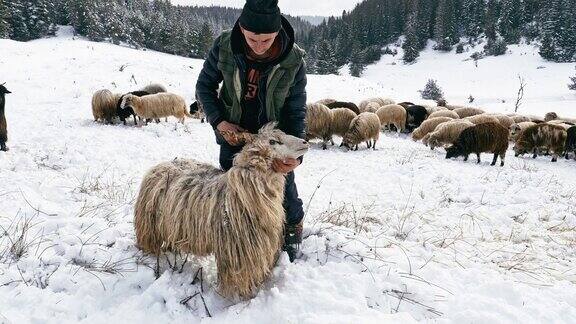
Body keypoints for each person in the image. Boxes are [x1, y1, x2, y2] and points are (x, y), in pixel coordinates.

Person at [195, 0, 307, 261]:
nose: (258, 47)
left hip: (272, 143)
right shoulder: (224, 46)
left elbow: (296, 110)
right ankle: (240, 235)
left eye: (266, 41)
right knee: (233, 189)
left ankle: (291, 227)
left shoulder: (293, 60)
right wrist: (220, 122)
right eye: (251, 39)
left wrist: (294, 156)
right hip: (234, 136)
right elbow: (204, 87)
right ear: (241, 30)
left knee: (284, 190)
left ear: (277, 32)